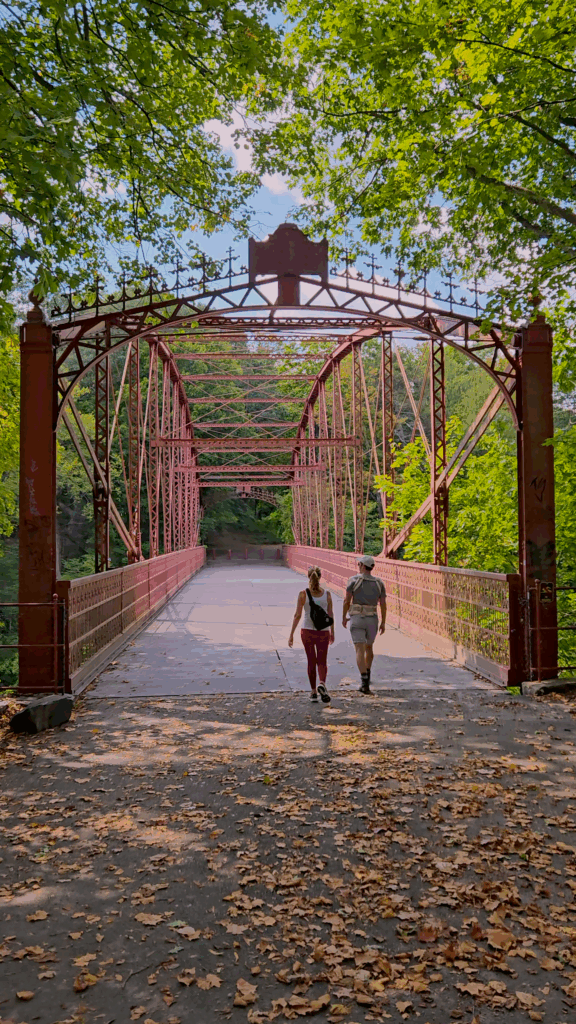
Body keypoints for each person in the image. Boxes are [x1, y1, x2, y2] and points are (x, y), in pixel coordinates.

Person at [288, 566, 334, 703]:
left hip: (307, 631)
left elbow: (297, 615)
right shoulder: (327, 595)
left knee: (311, 661)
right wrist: (332, 632)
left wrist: (291, 634)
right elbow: (330, 615)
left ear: (308, 577)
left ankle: (313, 692)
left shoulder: (303, 594)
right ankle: (322, 684)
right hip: (323, 632)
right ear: (320, 577)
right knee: (322, 661)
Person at [342, 554, 386, 694]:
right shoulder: (379, 583)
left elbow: (347, 600)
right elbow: (383, 604)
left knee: (359, 649)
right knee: (369, 648)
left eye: (358, 564)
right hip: (372, 618)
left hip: (357, 618)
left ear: (362, 566)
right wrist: (383, 621)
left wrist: (344, 616)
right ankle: (368, 673)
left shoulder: (353, 580)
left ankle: (364, 681)